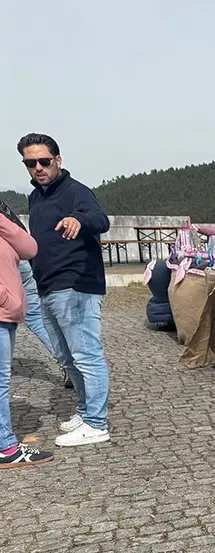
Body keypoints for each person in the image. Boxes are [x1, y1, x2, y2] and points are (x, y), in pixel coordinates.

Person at [18, 132, 112, 447]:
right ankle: (86, 411)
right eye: (31, 163)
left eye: (44, 161)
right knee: (68, 358)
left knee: (86, 354)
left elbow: (100, 219)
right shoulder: (35, 197)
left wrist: (78, 220)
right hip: (46, 284)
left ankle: (97, 424)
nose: (38, 168)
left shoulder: (76, 192)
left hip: (75, 284)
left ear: (58, 160)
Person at [0, 210, 53, 465]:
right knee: (0, 383)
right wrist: (8, 300)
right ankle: (6, 448)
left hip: (6, 315)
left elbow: (30, 248)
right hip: (2, 312)